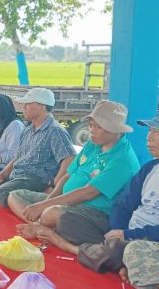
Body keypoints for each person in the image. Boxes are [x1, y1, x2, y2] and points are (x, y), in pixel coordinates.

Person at [28, 111, 158, 281]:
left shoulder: (124, 158)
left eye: (157, 132)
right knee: (63, 219)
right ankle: (117, 259)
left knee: (122, 251)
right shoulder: (150, 168)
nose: (149, 138)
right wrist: (117, 233)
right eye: (150, 131)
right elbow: (123, 206)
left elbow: (90, 192)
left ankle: (65, 244)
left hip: (147, 239)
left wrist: (127, 235)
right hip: (126, 234)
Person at [11, 101, 139, 246]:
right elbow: (67, 176)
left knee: (52, 213)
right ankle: (42, 226)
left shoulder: (123, 159)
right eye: (90, 125)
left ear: (117, 131)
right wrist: (46, 202)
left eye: (98, 127)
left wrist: (44, 206)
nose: (92, 131)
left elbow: (89, 193)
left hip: (95, 212)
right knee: (15, 196)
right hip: (66, 201)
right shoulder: (93, 144)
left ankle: (44, 227)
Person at [0, 88, 76, 208]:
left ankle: (25, 199)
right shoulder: (28, 130)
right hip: (17, 175)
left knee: (0, 193)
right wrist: (2, 175)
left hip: (35, 179)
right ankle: (18, 198)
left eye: (27, 104)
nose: (23, 107)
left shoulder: (55, 131)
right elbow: (18, 156)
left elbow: (69, 160)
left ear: (42, 106)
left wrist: (53, 186)